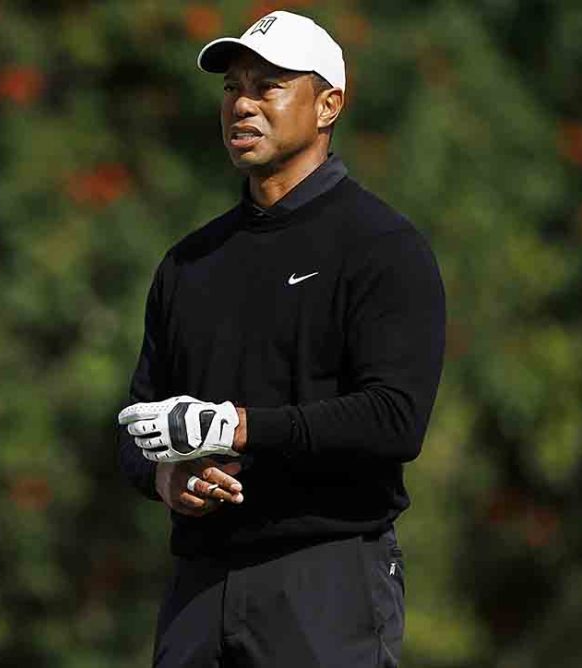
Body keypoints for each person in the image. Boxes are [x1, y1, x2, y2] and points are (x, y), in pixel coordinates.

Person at [117, 10, 445, 667]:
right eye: (232, 87)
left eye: (267, 87)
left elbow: (394, 419)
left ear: (328, 105)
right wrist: (165, 478)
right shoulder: (190, 262)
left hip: (326, 578)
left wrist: (238, 428)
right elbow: (137, 420)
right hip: (199, 583)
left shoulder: (382, 246)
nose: (241, 104)